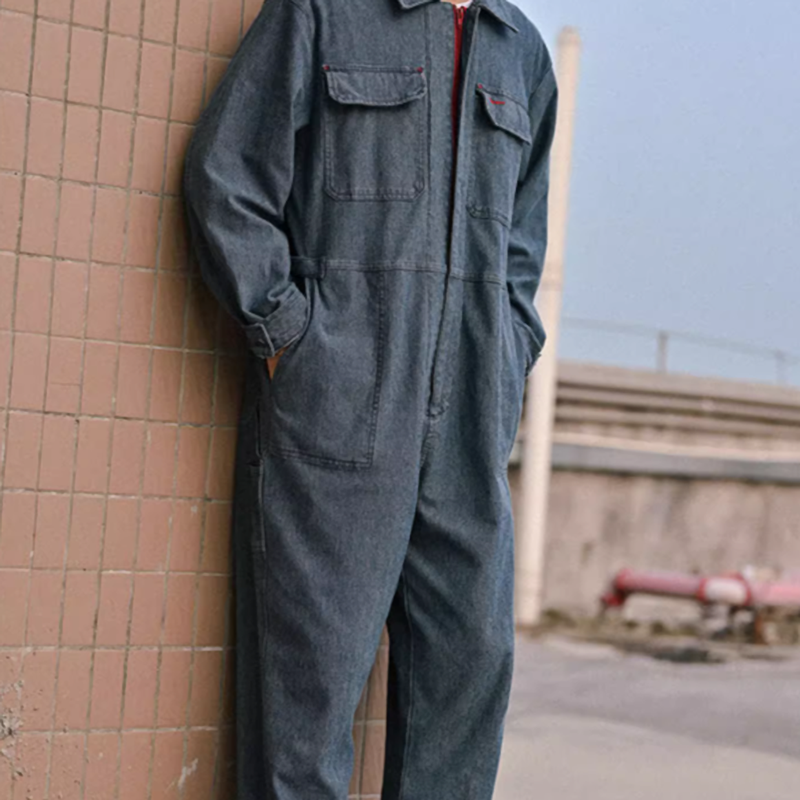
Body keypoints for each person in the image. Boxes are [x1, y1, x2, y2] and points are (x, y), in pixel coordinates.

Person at [182, 0, 557, 797]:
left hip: (468, 428)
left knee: (467, 681)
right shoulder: (323, 13)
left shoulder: (521, 52)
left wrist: (507, 354)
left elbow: (522, 249)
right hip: (337, 415)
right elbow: (228, 176)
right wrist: (290, 339)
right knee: (307, 709)